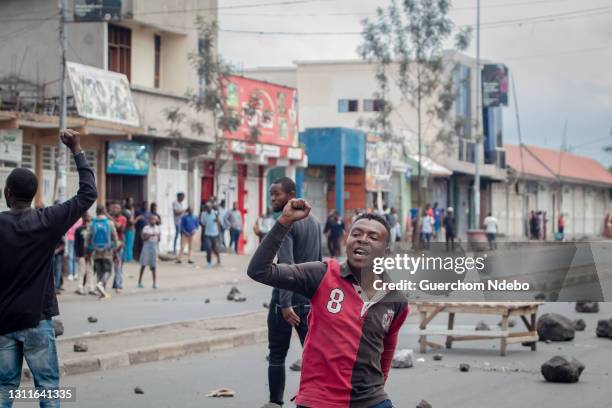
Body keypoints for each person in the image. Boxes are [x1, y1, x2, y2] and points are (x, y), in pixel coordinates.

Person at [248, 199, 408, 408]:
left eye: (372, 237)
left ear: (386, 251)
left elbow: (387, 350)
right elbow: (259, 271)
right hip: (318, 401)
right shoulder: (322, 274)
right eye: (356, 234)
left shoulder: (396, 299)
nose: (362, 240)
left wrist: (376, 392)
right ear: (346, 241)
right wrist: (284, 221)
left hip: (371, 401)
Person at [0, 129, 97, 407]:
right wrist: (77, 149)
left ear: (8, 193)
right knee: (49, 391)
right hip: (38, 322)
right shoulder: (47, 220)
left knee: (4, 391)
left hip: (3, 324)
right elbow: (88, 193)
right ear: (33, 195)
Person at [261, 177, 322, 408]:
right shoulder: (315, 221)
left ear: (291, 194)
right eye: (271, 194)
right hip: (307, 298)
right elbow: (318, 262)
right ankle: (314, 398)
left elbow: (286, 266)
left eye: (276, 193)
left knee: (277, 354)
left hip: (285, 300)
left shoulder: (286, 222)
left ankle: (275, 402)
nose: (273, 198)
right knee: (313, 354)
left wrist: (285, 304)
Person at [87, 205, 118, 299]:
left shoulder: (92, 223)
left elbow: (87, 237)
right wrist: (114, 247)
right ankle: (101, 285)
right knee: (108, 271)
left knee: (99, 271)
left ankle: (102, 293)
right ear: (104, 211)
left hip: (96, 250)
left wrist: (88, 249)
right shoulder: (109, 223)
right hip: (107, 251)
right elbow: (115, 237)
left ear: (96, 212)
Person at [139, 214, 161, 289]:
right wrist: (151, 235)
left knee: (154, 266)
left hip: (154, 247)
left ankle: (154, 283)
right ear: (149, 220)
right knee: (143, 264)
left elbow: (159, 239)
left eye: (155, 220)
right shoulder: (146, 228)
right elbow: (143, 238)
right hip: (146, 246)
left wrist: (157, 237)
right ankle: (140, 281)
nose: (153, 221)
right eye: (152, 219)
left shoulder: (158, 228)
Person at [75, 213, 95, 296]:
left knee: (90, 271)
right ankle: (80, 287)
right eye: (87, 218)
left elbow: (93, 242)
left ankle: (90, 287)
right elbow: (76, 244)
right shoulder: (79, 230)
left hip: (90, 254)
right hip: (82, 254)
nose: (88, 220)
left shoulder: (92, 230)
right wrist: (77, 254)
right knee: (81, 271)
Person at [109, 203, 126, 293]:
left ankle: (118, 284)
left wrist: (109, 217)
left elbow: (120, 228)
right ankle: (116, 283)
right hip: (110, 243)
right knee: (112, 265)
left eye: (117, 208)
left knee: (118, 265)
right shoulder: (110, 218)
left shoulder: (123, 218)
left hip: (119, 243)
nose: (115, 209)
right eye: (114, 208)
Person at [65, 216, 83, 281]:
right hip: (73, 239)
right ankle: (74, 273)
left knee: (72, 257)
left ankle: (72, 274)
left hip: (72, 238)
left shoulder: (72, 217)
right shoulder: (80, 219)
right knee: (74, 256)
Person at [122, 197, 136, 262]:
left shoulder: (128, 211)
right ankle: (128, 258)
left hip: (129, 229)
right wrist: (138, 218)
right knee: (129, 244)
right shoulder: (127, 211)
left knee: (128, 244)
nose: (132, 203)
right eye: (130, 201)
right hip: (129, 229)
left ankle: (127, 258)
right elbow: (131, 221)